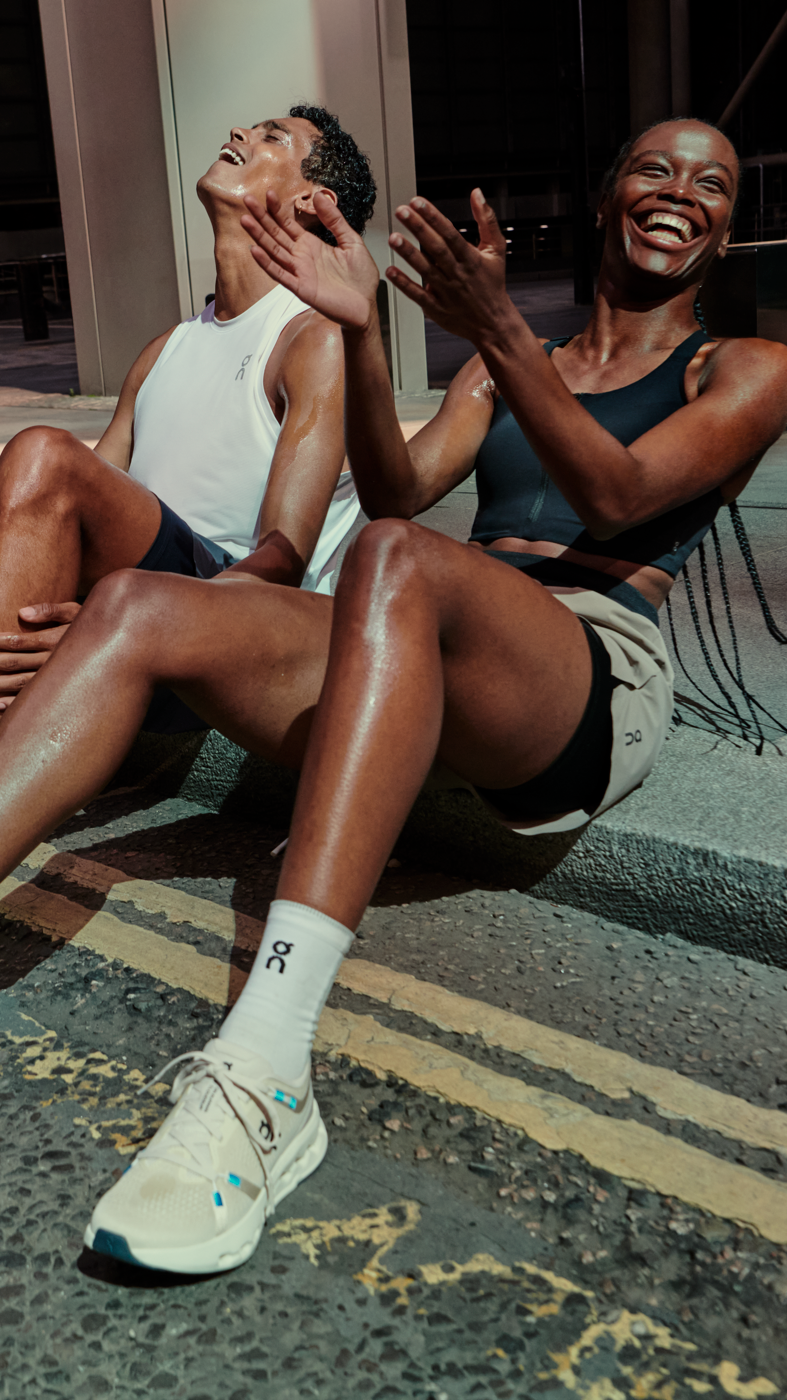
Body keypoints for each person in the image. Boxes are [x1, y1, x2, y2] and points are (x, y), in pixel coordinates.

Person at [0, 119, 785, 1275]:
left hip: (587, 664)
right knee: (137, 605)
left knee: (392, 559)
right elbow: (397, 483)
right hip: (415, 628)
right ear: (611, 189)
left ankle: (264, 1071)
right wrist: (366, 335)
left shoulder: (746, 368)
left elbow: (616, 495)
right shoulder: (504, 364)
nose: (681, 193)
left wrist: (502, 327)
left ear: (726, 226)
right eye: (654, 169)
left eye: (710, 183)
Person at [0, 104, 375, 724]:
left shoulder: (313, 340)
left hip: (237, 621)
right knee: (36, 467)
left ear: (313, 200)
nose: (238, 134)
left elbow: (282, 563)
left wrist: (118, 620)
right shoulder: (162, 351)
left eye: (270, 137)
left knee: (43, 451)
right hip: (136, 596)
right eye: (246, 128)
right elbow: (58, 511)